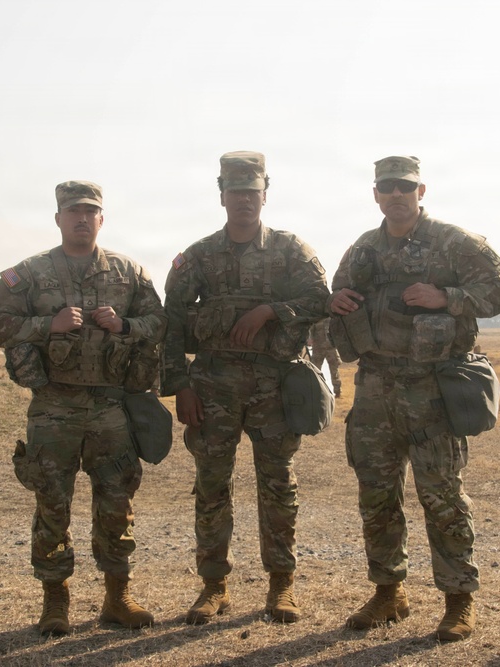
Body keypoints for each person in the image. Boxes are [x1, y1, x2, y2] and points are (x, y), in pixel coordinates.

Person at [328, 155, 500, 639]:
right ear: (375, 194)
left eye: (404, 187)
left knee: (442, 497)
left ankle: (458, 600)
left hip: (432, 388)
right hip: (375, 388)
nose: (396, 194)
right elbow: (340, 292)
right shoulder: (363, 248)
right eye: (387, 186)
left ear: (420, 191)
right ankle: (389, 593)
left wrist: (447, 297)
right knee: (377, 496)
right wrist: (339, 301)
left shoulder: (453, 242)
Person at [0, 181, 166, 633]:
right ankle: (55, 602)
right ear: (59, 218)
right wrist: (49, 324)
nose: (82, 218)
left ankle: (117, 597)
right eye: (73, 211)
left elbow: (160, 323)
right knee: (52, 501)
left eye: (90, 211)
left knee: (117, 501)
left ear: (102, 219)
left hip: (111, 406)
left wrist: (124, 324)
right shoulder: (28, 274)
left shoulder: (129, 272)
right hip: (54, 405)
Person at [160, 151, 330, 624]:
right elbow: (170, 322)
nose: (243, 200)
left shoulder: (291, 250)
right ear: (221, 195)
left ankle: (282, 586)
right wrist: (179, 386)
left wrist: (270, 311)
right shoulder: (197, 255)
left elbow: (321, 298)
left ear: (264, 194)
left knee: (278, 485)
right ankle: (213, 586)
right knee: (212, 485)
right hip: (212, 384)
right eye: (235, 192)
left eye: (251, 192)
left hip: (275, 385)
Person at [308, 318, 342, 397]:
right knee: (315, 369)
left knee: (334, 370)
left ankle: (337, 391)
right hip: (318, 348)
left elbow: (337, 331)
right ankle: (316, 389)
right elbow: (310, 330)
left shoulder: (331, 318)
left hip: (331, 348)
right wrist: (310, 339)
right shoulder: (316, 318)